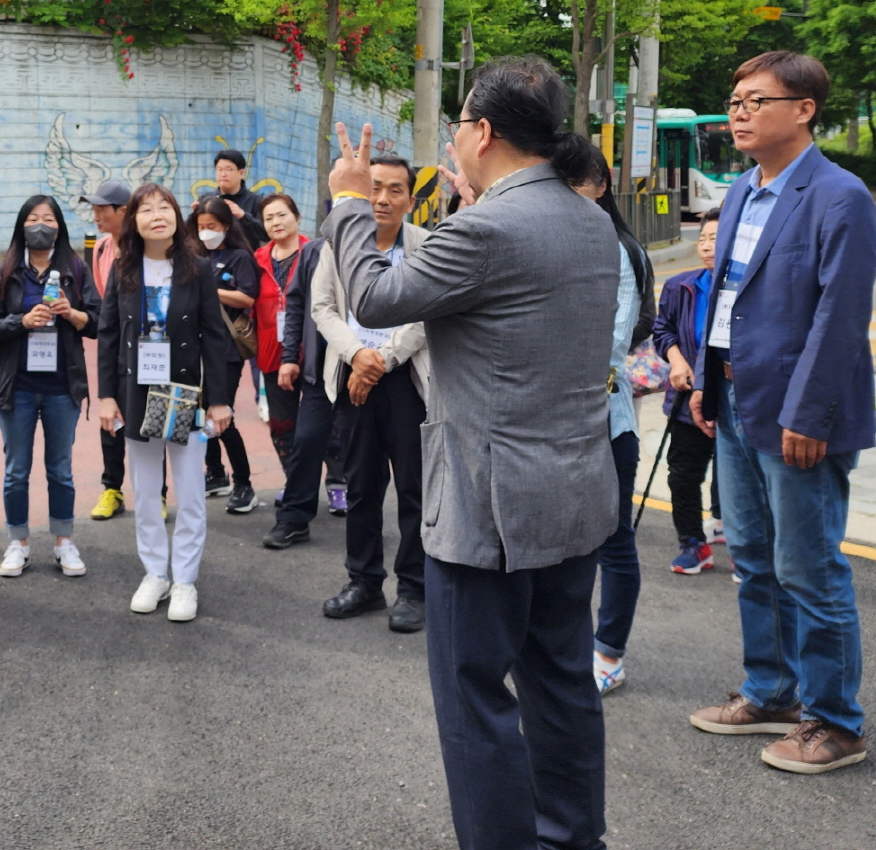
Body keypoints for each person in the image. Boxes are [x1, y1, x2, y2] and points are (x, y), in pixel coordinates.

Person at [326, 57, 620, 850]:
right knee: (560, 684)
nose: (453, 138)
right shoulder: (588, 217)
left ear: (483, 132)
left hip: (487, 508)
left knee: (474, 697)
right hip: (573, 494)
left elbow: (376, 298)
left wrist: (352, 204)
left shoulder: (488, 228)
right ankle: (572, 836)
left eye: (458, 123)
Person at [687, 51, 876, 775]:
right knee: (754, 561)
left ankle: (836, 722)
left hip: (799, 409)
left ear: (803, 109)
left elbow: (839, 315)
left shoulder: (840, 196)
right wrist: (707, 379)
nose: (738, 112)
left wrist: (813, 412)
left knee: (809, 567)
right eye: (734, 99)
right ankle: (771, 692)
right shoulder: (741, 192)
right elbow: (726, 294)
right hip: (736, 395)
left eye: (755, 100)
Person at [284, 157, 431, 635]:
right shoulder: (337, 245)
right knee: (361, 486)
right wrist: (356, 355)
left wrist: (383, 360)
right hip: (351, 378)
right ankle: (364, 582)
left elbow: (427, 315)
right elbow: (322, 307)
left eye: (394, 190)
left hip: (407, 380)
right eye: (374, 189)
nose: (383, 199)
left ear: (411, 198)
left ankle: (414, 589)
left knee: (414, 488)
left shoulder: (426, 247)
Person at [95, 183, 237, 623]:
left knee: (191, 492)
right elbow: (108, 335)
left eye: (165, 207)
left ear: (177, 216)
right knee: (146, 489)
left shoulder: (196, 268)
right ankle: (155, 573)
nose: (157, 214)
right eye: (146, 209)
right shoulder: (125, 269)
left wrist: (220, 402)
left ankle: (185, 581)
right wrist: (105, 396)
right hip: (136, 393)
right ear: (133, 220)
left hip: (184, 395)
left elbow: (215, 336)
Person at [569, 144, 655, 697]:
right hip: (559, 421)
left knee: (613, 541)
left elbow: (613, 340)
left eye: (580, 182)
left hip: (604, 419)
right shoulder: (553, 242)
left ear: (601, 186)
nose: (569, 195)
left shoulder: (616, 248)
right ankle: (571, 645)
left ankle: (609, 653)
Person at [0, 195, 98, 577]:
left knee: (60, 469)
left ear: (59, 227)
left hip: (63, 386)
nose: (40, 226)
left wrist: (73, 313)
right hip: (17, 388)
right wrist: (21, 321)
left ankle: (64, 542)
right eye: (32, 219)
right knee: (16, 469)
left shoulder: (75, 270)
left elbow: (98, 322)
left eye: (47, 219)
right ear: (21, 227)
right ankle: (18, 542)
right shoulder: (7, 271)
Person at [653, 209, 723, 573]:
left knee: (732, 474)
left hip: (733, 400)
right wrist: (678, 362)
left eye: (716, 238)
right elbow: (662, 330)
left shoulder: (748, 289)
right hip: (686, 398)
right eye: (703, 239)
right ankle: (693, 543)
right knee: (683, 474)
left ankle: (742, 541)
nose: (708, 247)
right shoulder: (682, 286)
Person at [191, 194, 260, 513]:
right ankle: (215, 473)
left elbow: (247, 298)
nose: (206, 232)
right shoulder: (193, 256)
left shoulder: (239, 257)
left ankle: (244, 482)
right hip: (195, 347)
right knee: (198, 412)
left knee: (222, 415)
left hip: (227, 350)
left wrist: (208, 289)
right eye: (201, 226)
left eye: (212, 226)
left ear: (226, 226)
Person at [83, 178, 134, 520]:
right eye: (95, 209)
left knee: (149, 421)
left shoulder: (147, 248)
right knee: (110, 420)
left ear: (124, 211)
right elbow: (104, 306)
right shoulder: (100, 248)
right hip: (113, 349)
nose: (96, 215)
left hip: (147, 350)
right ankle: (112, 490)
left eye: (103, 209)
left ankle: (156, 493)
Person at [252, 194, 309, 474]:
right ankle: (294, 482)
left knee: (327, 422)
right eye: (269, 218)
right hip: (272, 353)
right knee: (282, 424)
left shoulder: (316, 252)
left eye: (282, 215)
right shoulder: (258, 259)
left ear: (297, 218)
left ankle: (337, 482)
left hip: (313, 351)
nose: (276, 222)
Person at [206, 148, 268, 248]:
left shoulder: (256, 201)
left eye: (228, 169)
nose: (223, 174)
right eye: (219, 169)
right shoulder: (207, 200)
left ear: (241, 173)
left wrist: (243, 216)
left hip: (245, 260)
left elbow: (265, 234)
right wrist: (194, 217)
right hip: (213, 259)